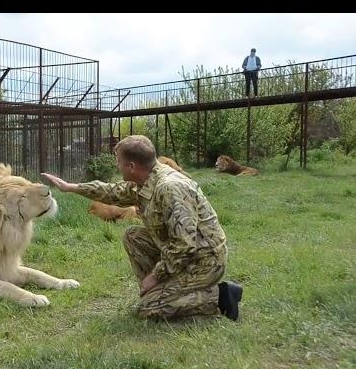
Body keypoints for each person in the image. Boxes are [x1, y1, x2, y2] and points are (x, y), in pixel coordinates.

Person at [41, 135, 243, 321]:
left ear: (131, 165)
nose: (117, 165)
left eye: (118, 161)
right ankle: (163, 290)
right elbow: (114, 192)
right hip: (181, 253)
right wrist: (71, 187)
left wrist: (155, 276)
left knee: (149, 309)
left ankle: (220, 295)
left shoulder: (170, 188)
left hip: (204, 260)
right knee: (132, 235)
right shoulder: (146, 179)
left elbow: (185, 245)